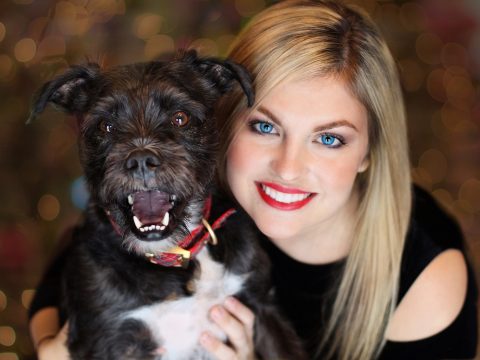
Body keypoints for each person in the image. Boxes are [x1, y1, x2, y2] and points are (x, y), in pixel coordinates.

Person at [29, 1, 477, 359]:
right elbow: (73, 267)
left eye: (329, 138)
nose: (286, 167)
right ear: (225, 120)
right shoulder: (197, 188)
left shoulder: (425, 277)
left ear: (370, 152)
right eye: (265, 127)